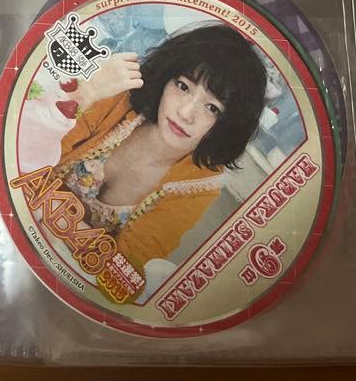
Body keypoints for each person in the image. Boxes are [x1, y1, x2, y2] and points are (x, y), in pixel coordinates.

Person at [50, 24, 268, 278]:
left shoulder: (199, 187)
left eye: (212, 108)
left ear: (227, 124)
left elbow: (129, 266)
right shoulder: (119, 98)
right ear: (166, 77)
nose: (185, 114)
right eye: (183, 86)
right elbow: (36, 147)